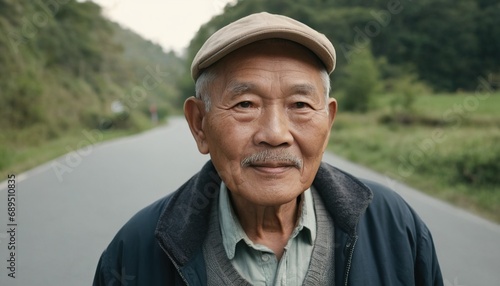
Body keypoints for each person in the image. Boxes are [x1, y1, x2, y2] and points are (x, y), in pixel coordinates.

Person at [93, 12, 443, 285]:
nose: (275, 134)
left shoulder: (395, 227)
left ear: (329, 120)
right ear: (199, 124)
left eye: (301, 105)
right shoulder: (136, 250)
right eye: (245, 104)